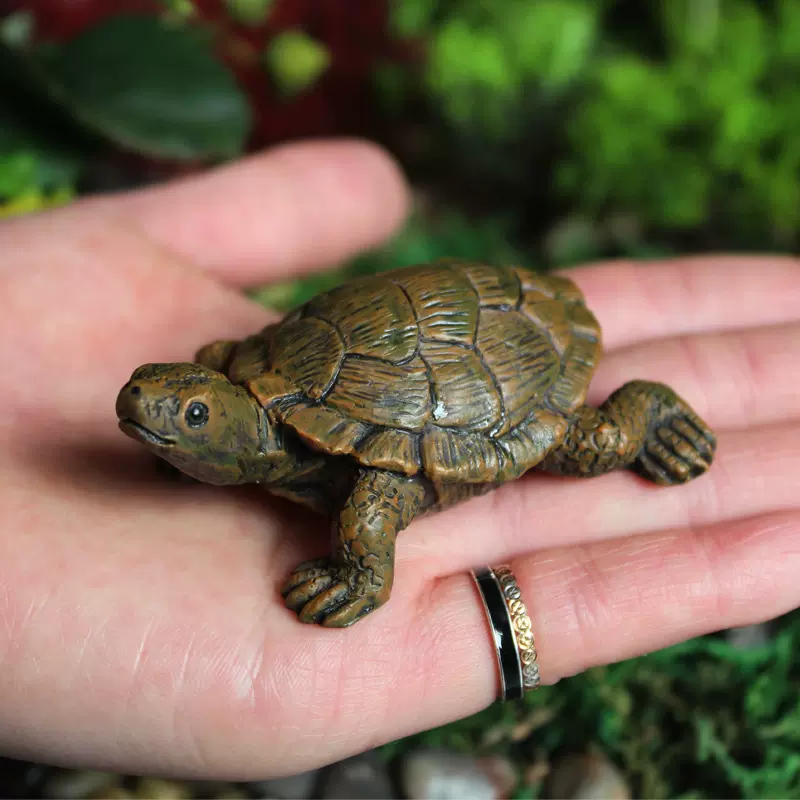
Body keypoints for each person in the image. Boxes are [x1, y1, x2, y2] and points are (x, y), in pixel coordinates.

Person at [0, 139, 797, 780]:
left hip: (501, 373)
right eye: (162, 401)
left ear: (228, 418)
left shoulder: (325, 453)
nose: (155, 408)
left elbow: (380, 487)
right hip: (378, 332)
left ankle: (645, 409)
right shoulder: (242, 385)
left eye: (192, 413)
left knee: (592, 448)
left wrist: (362, 573)